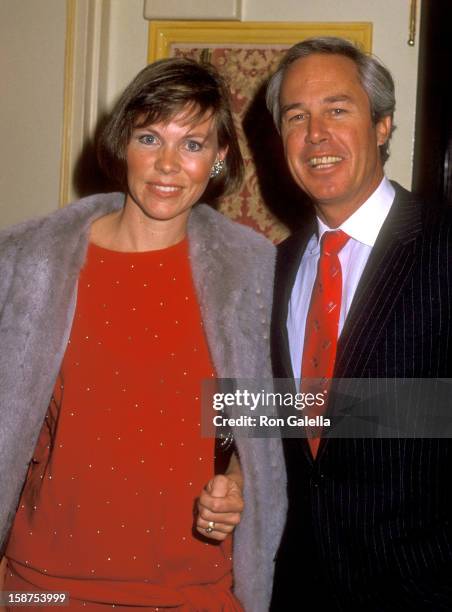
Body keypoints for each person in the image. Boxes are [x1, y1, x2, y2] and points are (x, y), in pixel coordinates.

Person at [0, 57, 286, 611]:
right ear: (122, 142)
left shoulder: (252, 275)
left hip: (190, 589)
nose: (167, 166)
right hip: (45, 586)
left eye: (194, 144)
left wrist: (239, 482)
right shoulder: (30, 264)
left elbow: (260, 421)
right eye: (150, 137)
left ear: (220, 157)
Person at [266, 37, 452, 610]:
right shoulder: (274, 267)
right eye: (297, 116)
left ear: (382, 126)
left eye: (338, 110)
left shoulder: (443, 245)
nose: (316, 134)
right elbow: (283, 415)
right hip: (299, 586)